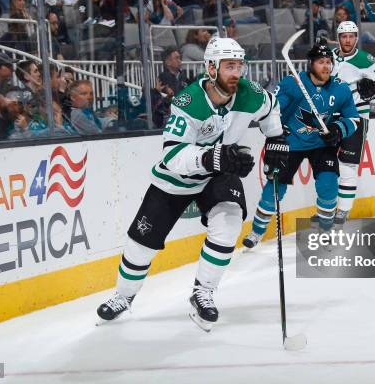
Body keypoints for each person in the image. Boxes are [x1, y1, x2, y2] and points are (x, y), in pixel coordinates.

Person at [95, 37, 287, 332]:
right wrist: (213, 157)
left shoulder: (250, 94)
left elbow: (271, 107)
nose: (236, 73)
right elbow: (172, 154)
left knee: (229, 222)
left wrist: (275, 138)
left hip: (220, 173)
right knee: (140, 244)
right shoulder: (188, 102)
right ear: (211, 68)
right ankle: (124, 296)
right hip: (176, 179)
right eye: (229, 66)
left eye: (239, 66)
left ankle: (203, 292)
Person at [242, 39, 359, 249]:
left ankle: (325, 229)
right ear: (311, 64)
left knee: (328, 185)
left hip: (322, 144)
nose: (327, 66)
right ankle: (257, 231)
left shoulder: (340, 88)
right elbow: (273, 109)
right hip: (291, 142)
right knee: (275, 188)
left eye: (329, 62)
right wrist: (276, 129)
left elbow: (354, 118)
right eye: (321, 62)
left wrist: (337, 129)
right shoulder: (292, 83)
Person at [328, 21, 375, 224]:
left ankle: (342, 212)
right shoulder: (328, 57)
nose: (347, 40)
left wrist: (372, 93)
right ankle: (326, 209)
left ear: (356, 38)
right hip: (331, 117)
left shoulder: (365, 60)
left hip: (357, 117)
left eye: (351, 36)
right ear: (338, 38)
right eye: (344, 36)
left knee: (347, 167)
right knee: (326, 167)